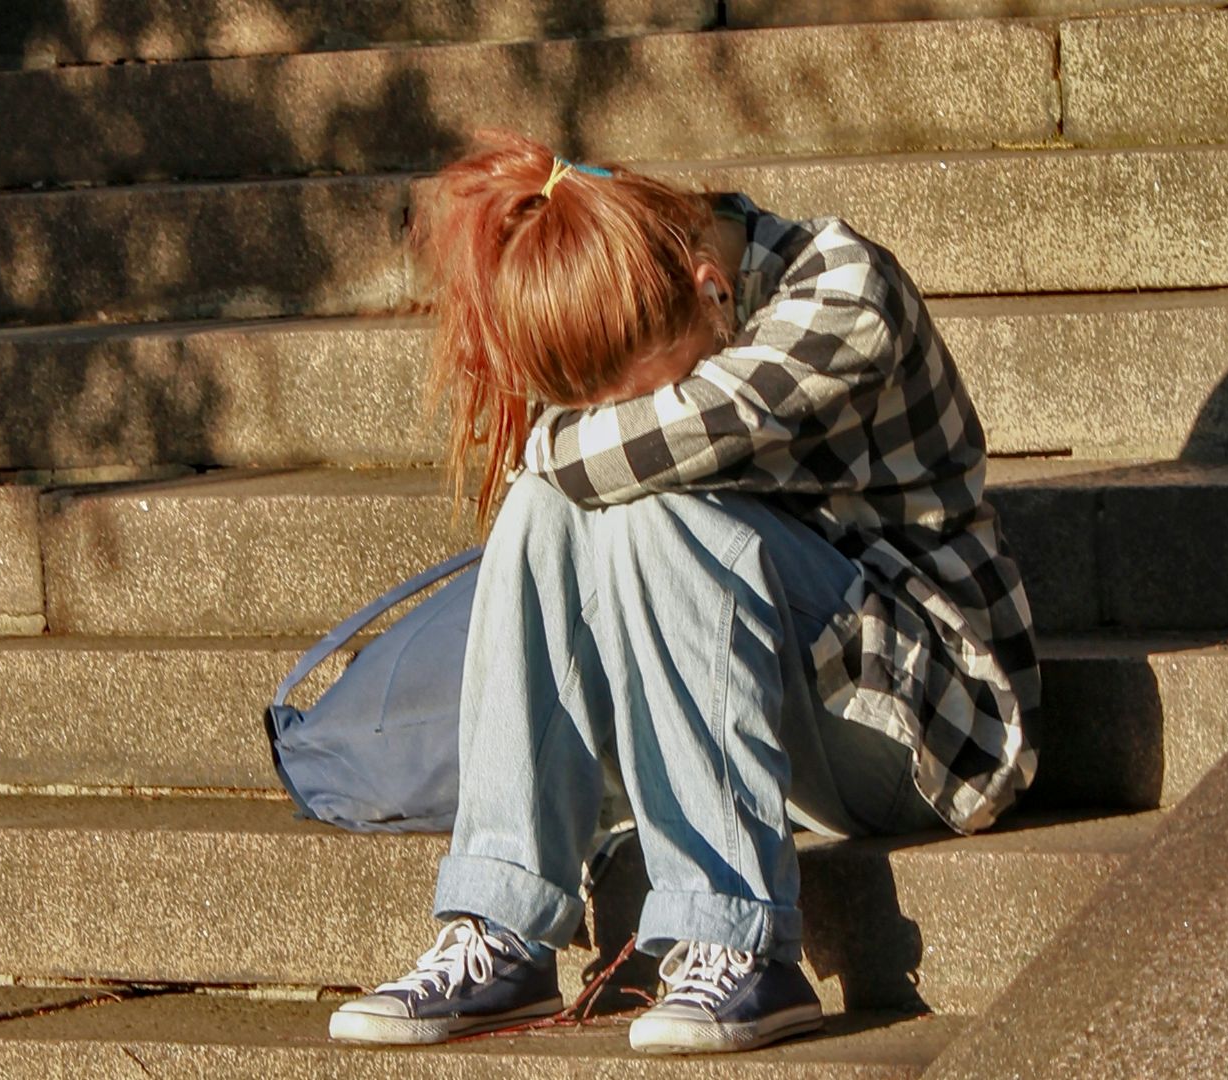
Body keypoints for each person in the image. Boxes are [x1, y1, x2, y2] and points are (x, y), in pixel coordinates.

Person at [327, 130, 1040, 1055]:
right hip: (776, 717)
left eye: (643, 390)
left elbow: (612, 453)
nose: (622, 414)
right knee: (559, 509)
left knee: (636, 500)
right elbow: (585, 471)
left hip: (930, 723)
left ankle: (736, 943)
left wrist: (552, 446)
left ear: (711, 286)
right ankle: (501, 921)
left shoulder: (842, 290)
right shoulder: (670, 304)